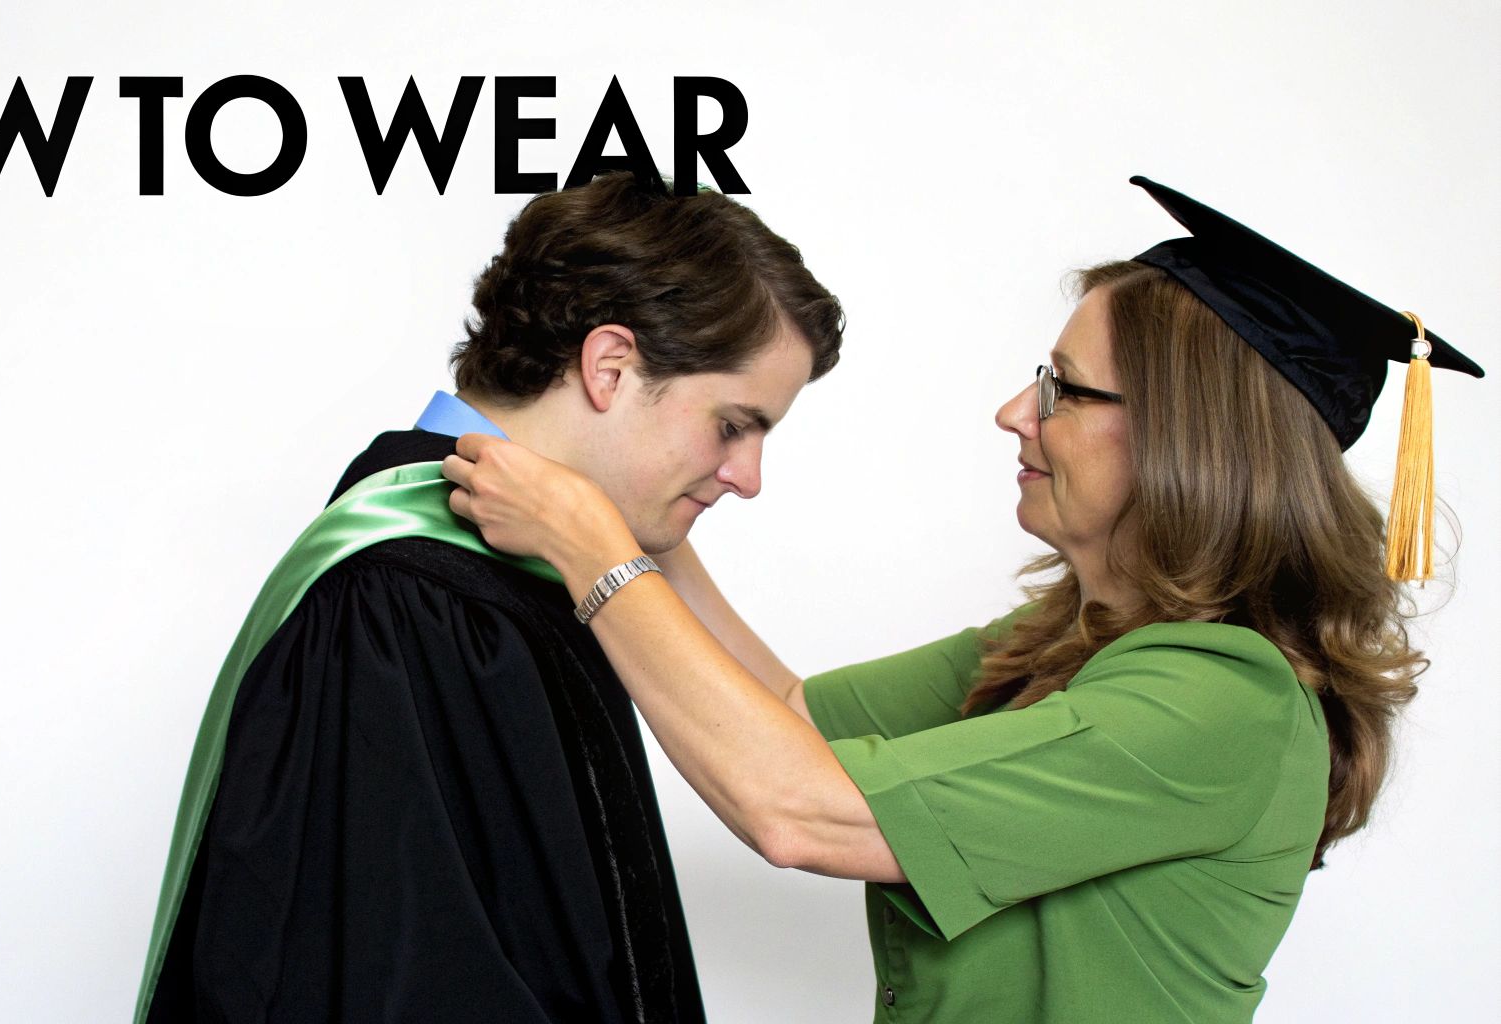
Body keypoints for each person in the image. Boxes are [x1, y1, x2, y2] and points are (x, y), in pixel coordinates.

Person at [444, 176, 1485, 1022]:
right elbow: (788, 718)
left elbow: (796, 808)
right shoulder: (1068, 643)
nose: (1014, 412)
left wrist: (590, 550)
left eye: (1063, 388)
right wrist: (632, 510)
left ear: (1186, 441)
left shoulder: (1223, 705)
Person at [132, 171, 845, 1023]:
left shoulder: (554, 566)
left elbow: (788, 721)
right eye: (732, 425)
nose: (748, 477)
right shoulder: (401, 599)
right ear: (610, 366)